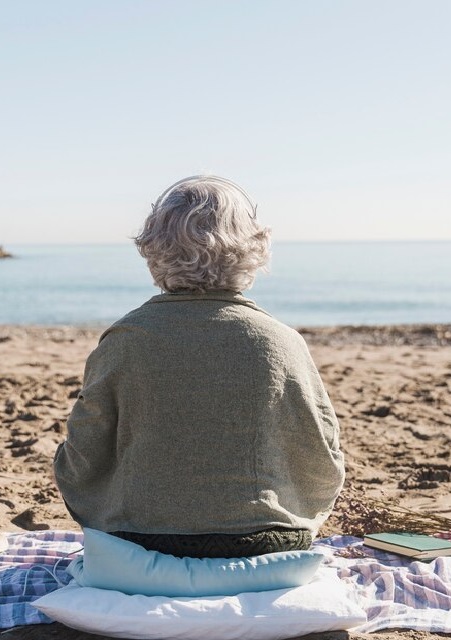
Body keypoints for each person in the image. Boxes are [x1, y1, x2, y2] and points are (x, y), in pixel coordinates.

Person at [53, 175, 345, 558]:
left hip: (139, 546)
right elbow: (323, 461)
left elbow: (81, 459)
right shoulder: (281, 341)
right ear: (252, 247)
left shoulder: (125, 339)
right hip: (266, 548)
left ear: (153, 248)